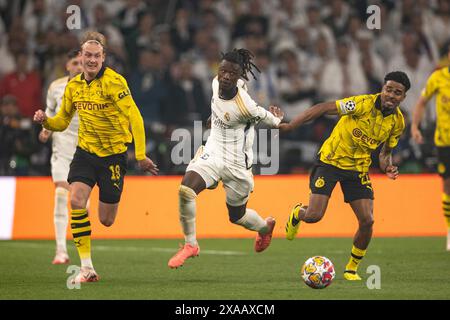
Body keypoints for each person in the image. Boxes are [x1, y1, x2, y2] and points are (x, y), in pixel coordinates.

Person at [33, 31, 158, 283]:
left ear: (104, 57)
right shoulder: (74, 86)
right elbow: (62, 121)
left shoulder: (115, 83)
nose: (91, 60)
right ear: (81, 57)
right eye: (87, 55)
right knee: (76, 200)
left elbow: (135, 117)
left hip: (113, 156)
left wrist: (141, 155)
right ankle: (86, 267)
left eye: (96, 56)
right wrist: (46, 120)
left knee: (106, 219)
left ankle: (88, 259)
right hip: (85, 153)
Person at [279, 71, 411, 280]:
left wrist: (388, 167)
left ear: (403, 97)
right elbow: (323, 108)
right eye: (388, 89)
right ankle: (298, 213)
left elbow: (385, 153)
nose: (391, 95)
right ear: (382, 89)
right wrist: (291, 125)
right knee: (314, 216)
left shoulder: (398, 122)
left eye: (397, 92)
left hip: (358, 169)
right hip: (330, 161)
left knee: (367, 221)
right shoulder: (361, 104)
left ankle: (351, 268)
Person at [167, 48, 284, 269]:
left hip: (237, 163)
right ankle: (190, 245)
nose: (226, 76)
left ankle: (265, 228)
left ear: (240, 75)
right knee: (186, 190)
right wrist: (214, 117)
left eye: (232, 73)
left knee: (237, 217)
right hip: (213, 151)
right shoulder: (214, 83)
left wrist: (278, 119)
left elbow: (273, 122)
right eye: (223, 71)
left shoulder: (247, 105)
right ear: (218, 70)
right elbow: (218, 106)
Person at [38, 49, 83, 265]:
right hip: (62, 147)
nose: (78, 67)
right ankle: (61, 250)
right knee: (60, 194)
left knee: (80, 202)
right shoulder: (55, 87)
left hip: (86, 148)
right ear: (67, 66)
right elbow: (50, 111)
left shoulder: (94, 87)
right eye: (75, 63)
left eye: (81, 63)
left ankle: (82, 251)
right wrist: (46, 128)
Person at [411, 44, 450, 251]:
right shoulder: (438, 78)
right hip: (445, 142)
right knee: (447, 186)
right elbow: (421, 102)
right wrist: (415, 126)